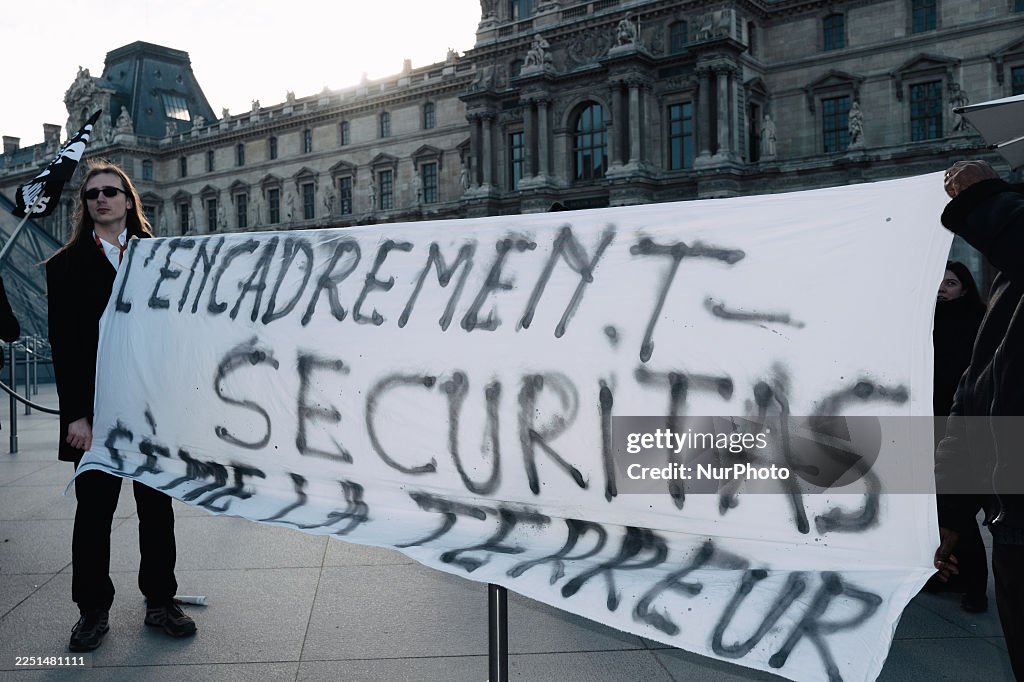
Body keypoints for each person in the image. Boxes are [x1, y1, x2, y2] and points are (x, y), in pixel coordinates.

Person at [46, 160, 197, 652]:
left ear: (129, 200)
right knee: (94, 514)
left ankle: (161, 600)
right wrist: (76, 415)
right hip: (96, 409)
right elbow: (65, 347)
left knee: (157, 509)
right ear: (84, 205)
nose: (101, 199)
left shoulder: (161, 257)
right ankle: (92, 610)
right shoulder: (65, 266)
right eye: (92, 194)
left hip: (151, 405)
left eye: (111, 191)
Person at [934, 159, 1024, 679]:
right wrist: (951, 511)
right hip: (1010, 511)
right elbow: (975, 393)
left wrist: (987, 199)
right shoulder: (1008, 298)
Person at [928, 260, 988, 612]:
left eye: (950, 283)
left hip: (966, 424)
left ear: (965, 288)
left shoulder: (979, 321)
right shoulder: (924, 320)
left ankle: (976, 586)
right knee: (937, 508)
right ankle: (945, 576)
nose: (942, 288)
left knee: (959, 508)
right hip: (931, 421)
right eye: (939, 281)